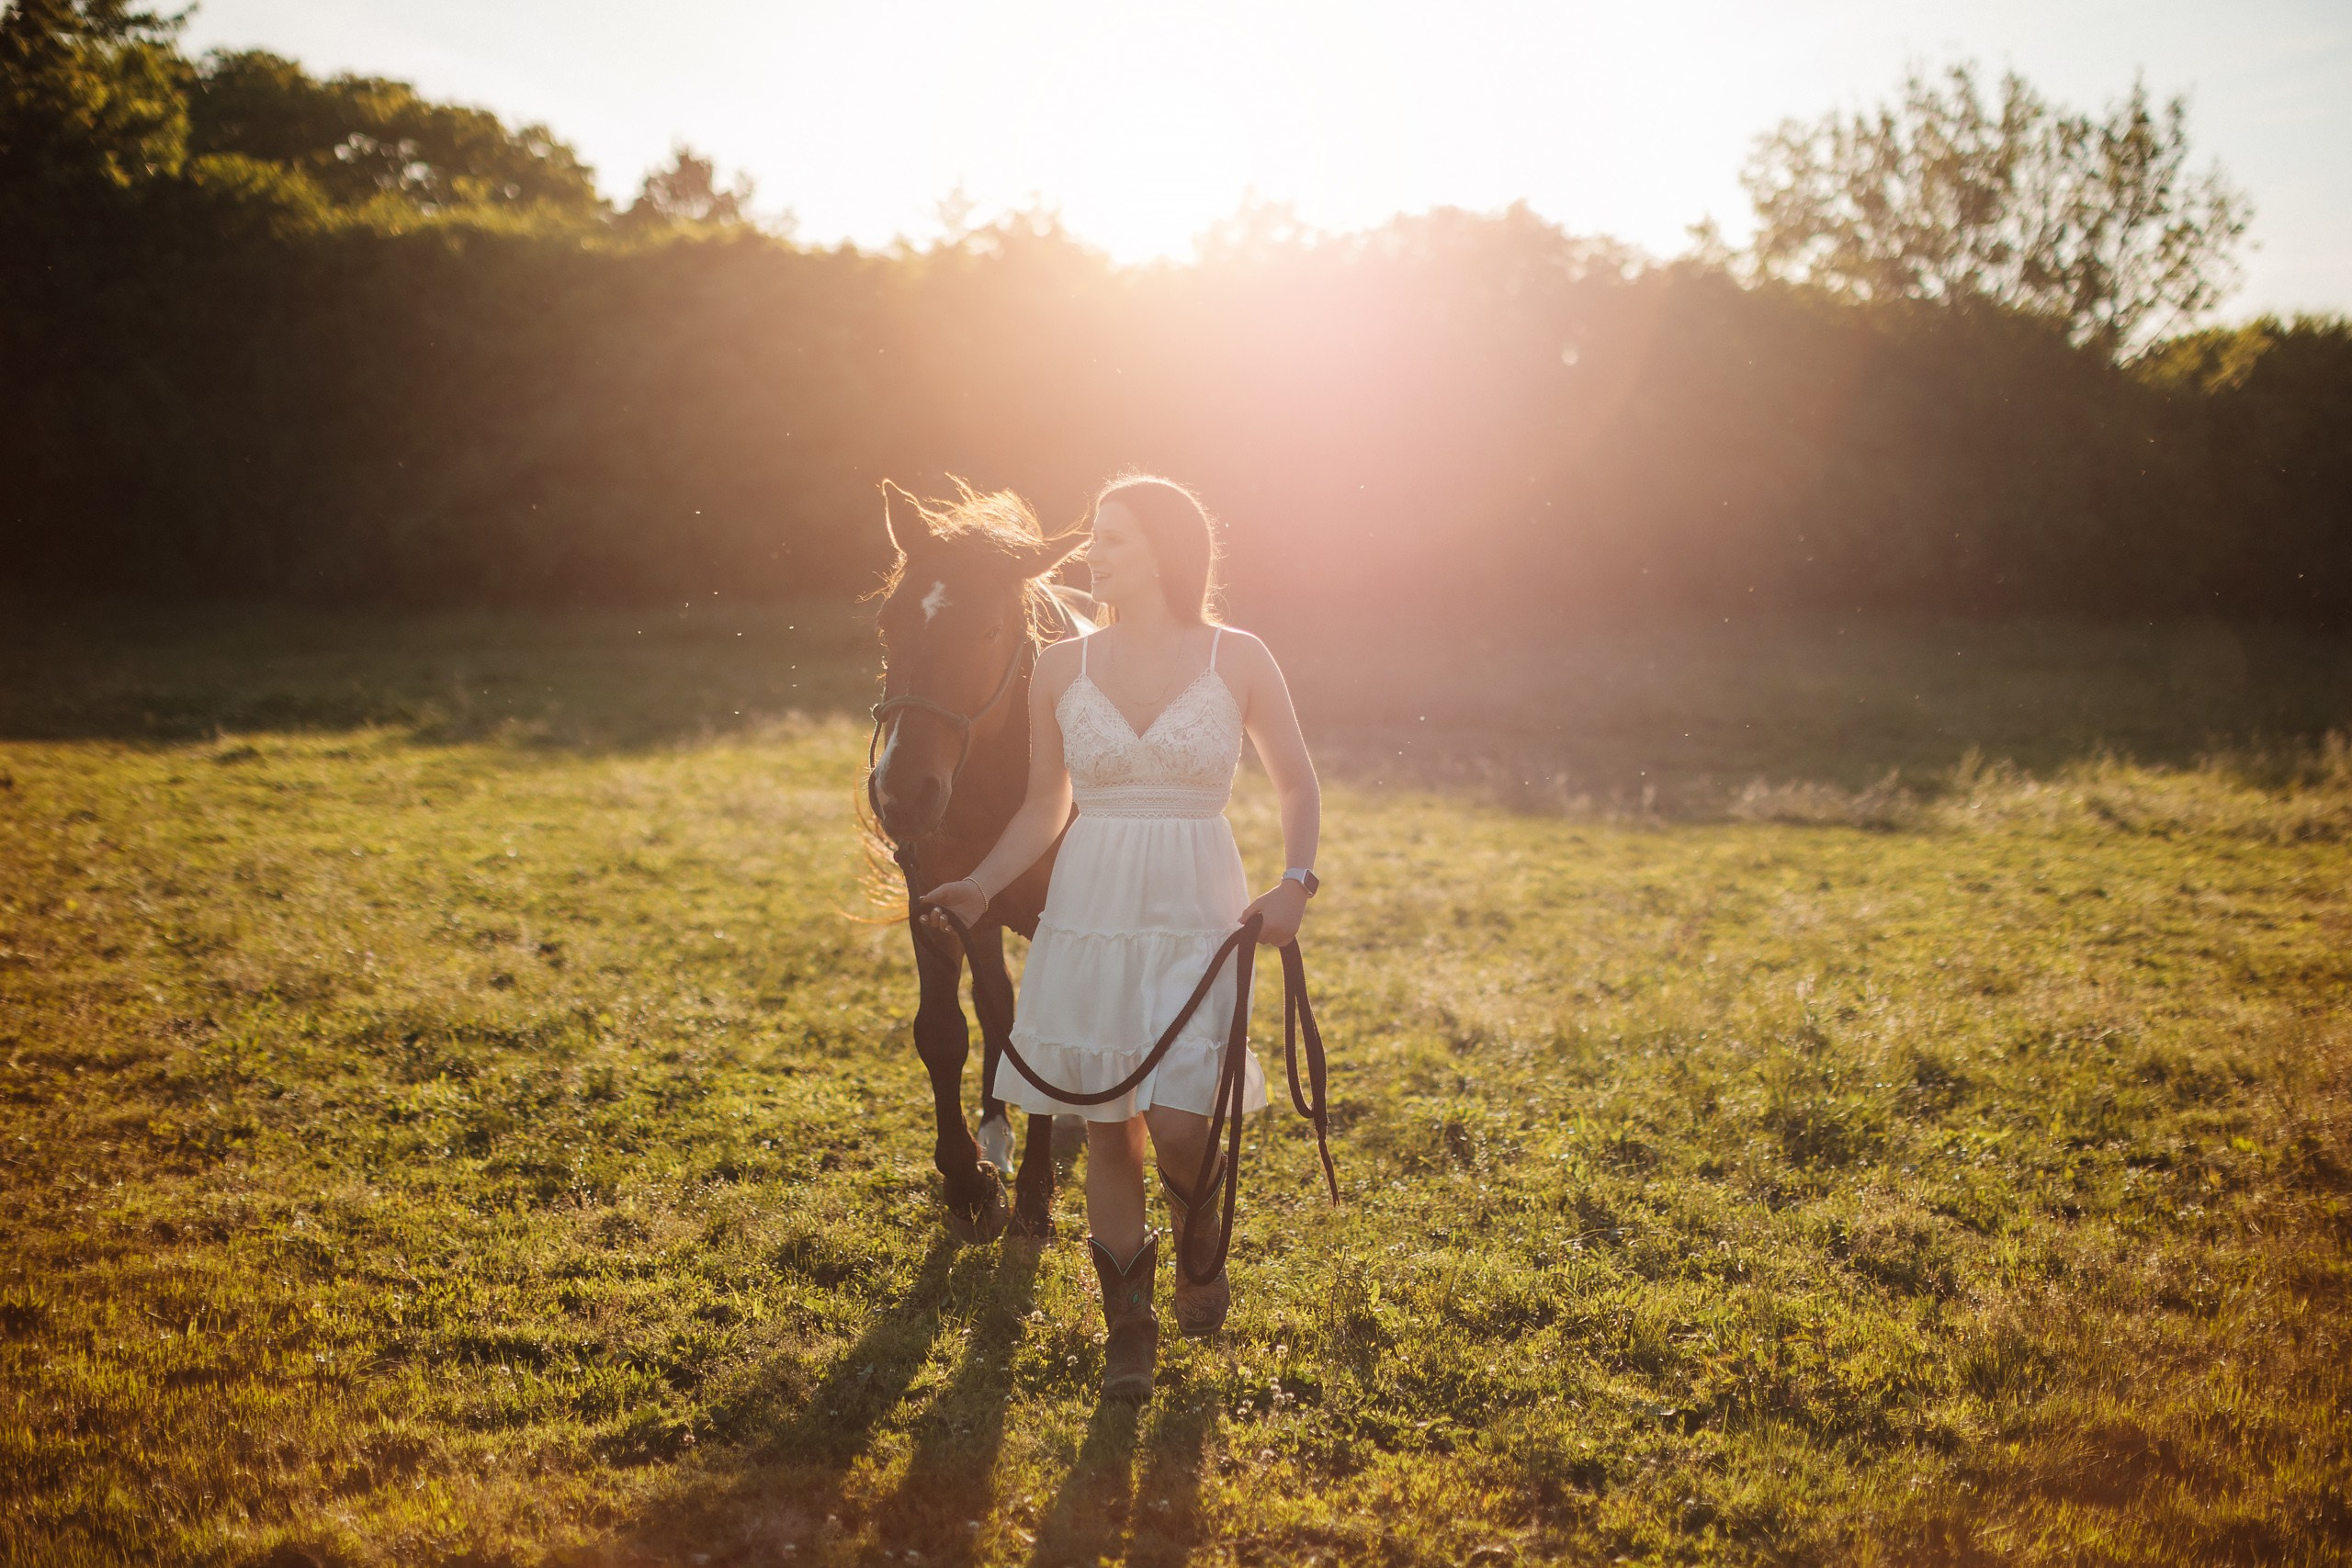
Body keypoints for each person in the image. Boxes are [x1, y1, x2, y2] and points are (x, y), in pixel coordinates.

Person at [918, 474, 1321, 1403]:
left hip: (1196, 905)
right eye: (1095, 538)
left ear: (1166, 551)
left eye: (1114, 539)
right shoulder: (1061, 668)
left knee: (1178, 1122)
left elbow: (1297, 782)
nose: (1092, 554)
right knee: (1108, 1128)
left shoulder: (1238, 656)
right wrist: (981, 884)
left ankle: (1197, 1220)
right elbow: (1044, 803)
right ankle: (1128, 1331)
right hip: (1091, 907)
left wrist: (1295, 883)